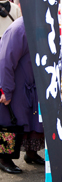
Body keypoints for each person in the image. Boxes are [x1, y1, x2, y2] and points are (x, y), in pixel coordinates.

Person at [0, 17, 45, 174]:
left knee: (35, 120)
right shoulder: (18, 29)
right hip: (17, 84)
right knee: (10, 121)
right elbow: (5, 60)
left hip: (34, 83)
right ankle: (4, 158)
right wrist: (6, 89)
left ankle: (31, 153)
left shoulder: (42, 24)